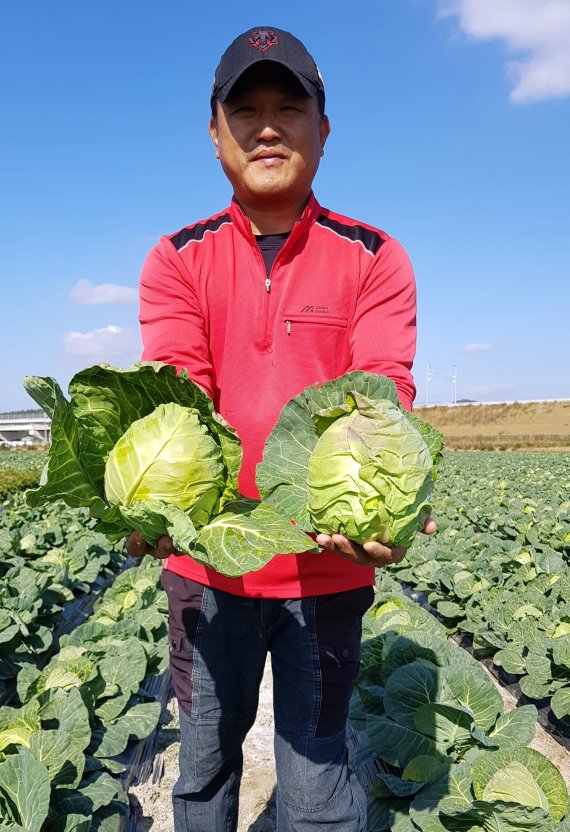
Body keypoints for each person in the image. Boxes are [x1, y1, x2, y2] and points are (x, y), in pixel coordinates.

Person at [128, 26, 436, 832]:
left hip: (325, 570)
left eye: (289, 108)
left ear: (323, 130)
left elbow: (382, 395)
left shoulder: (374, 256)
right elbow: (177, 394)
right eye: (247, 109)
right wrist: (149, 501)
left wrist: (391, 501)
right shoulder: (177, 258)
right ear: (214, 131)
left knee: (314, 786)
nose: (267, 127)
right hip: (207, 566)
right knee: (201, 771)